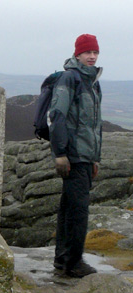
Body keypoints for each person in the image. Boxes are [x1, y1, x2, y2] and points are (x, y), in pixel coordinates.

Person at [49, 34, 102, 278]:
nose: (92, 57)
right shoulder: (70, 78)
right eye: (87, 52)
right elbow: (58, 115)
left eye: (95, 53)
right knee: (78, 210)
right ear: (77, 54)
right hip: (72, 155)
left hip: (85, 156)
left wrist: (95, 157)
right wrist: (60, 153)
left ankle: (63, 259)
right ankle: (74, 262)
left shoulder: (93, 82)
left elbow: (93, 125)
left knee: (70, 208)